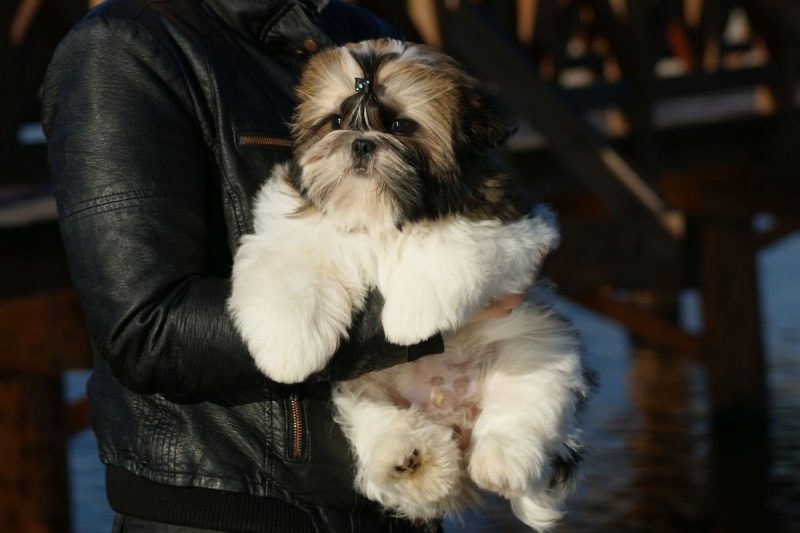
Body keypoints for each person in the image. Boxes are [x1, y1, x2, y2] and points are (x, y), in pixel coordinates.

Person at [42, 1, 523, 531]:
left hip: (394, 499)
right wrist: (420, 318)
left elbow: (470, 191)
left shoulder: (357, 28)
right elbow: (146, 331)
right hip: (228, 511)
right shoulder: (125, 48)